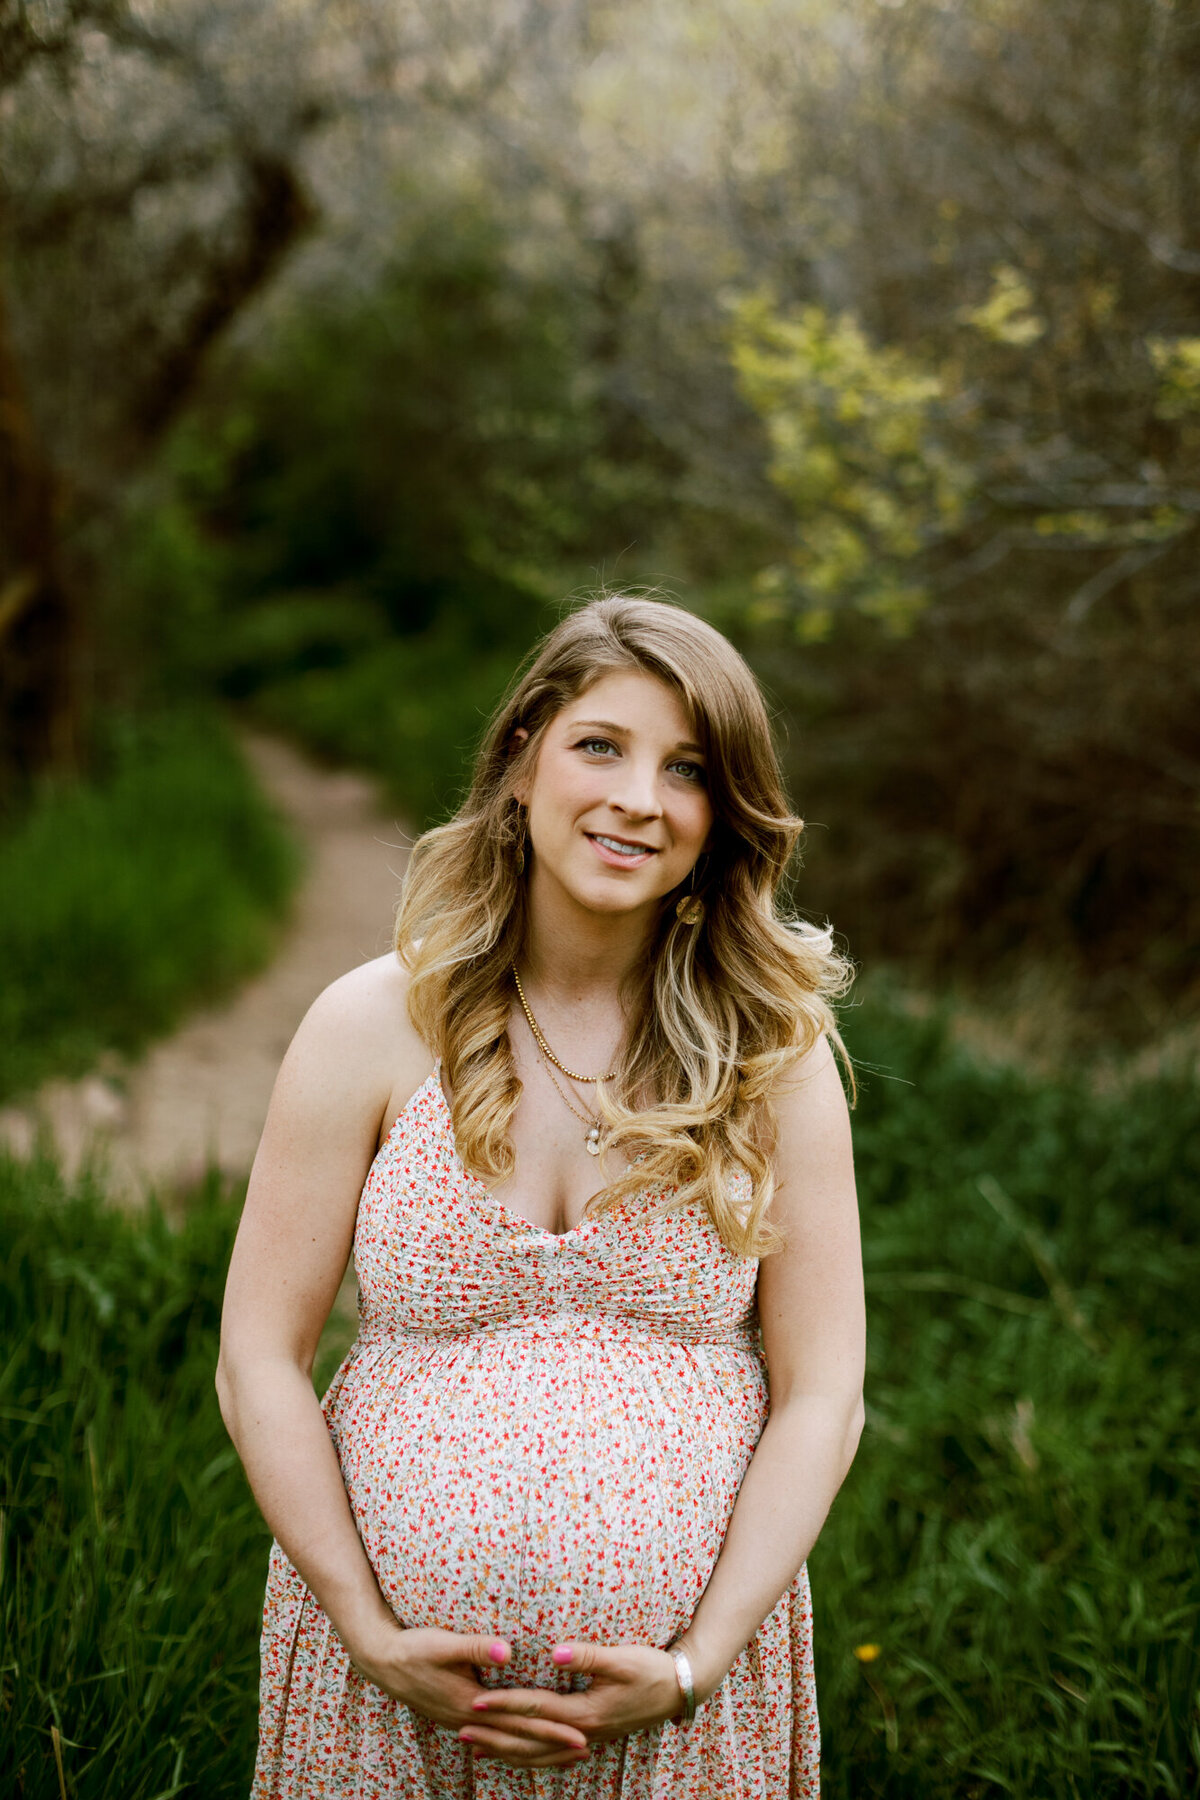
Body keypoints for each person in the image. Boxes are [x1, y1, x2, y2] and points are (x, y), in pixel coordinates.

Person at [218, 594, 865, 1798]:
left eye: (687, 771)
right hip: (386, 1709)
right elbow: (257, 1354)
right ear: (521, 759)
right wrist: (367, 1630)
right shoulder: (371, 1024)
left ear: (722, 818)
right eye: (600, 746)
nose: (637, 799)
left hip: (685, 1718)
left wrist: (693, 1664)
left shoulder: (771, 1055)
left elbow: (824, 1397)